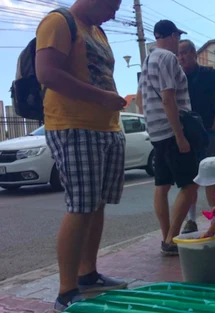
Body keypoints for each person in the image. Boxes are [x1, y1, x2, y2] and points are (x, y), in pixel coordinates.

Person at [35, 0, 127, 310]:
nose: (114, 14)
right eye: (111, 5)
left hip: (107, 128)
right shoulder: (59, 22)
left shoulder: (97, 32)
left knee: (97, 204)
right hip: (74, 126)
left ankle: (88, 274)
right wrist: (102, 97)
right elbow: (47, 73)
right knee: (81, 206)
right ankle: (66, 291)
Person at [136, 20, 199, 256]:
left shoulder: (148, 59)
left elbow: (142, 100)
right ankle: (171, 239)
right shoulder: (168, 58)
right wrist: (180, 135)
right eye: (177, 37)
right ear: (172, 35)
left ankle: (166, 237)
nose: (178, 43)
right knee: (191, 185)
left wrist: (153, 123)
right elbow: (168, 98)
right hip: (172, 131)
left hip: (156, 132)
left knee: (161, 186)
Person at [177, 39, 215, 233]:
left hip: (207, 134)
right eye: (178, 54)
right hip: (187, 136)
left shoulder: (209, 74)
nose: (181, 58)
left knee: (212, 178)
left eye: (184, 53)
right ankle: (191, 220)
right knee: (191, 179)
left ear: (193, 53)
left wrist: (213, 129)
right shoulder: (177, 77)